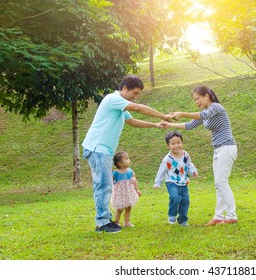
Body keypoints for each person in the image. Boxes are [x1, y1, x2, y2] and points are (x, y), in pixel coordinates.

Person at [82, 75, 172, 233]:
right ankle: (102, 223)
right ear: (124, 88)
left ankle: (104, 220)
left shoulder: (119, 106)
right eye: (135, 93)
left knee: (104, 184)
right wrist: (162, 115)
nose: (135, 97)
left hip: (102, 150)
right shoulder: (113, 99)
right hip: (97, 148)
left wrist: (156, 125)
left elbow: (133, 121)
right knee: (103, 185)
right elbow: (138, 108)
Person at [163, 86, 238, 226]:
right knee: (218, 184)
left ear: (206, 96)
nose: (196, 101)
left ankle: (232, 215)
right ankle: (219, 216)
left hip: (227, 147)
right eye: (195, 100)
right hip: (218, 149)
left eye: (198, 98)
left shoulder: (216, 107)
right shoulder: (205, 112)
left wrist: (183, 113)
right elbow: (189, 125)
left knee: (221, 183)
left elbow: (202, 116)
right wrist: (170, 123)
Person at [153, 131, 198, 227]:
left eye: (178, 143)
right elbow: (161, 171)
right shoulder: (167, 159)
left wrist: (193, 171)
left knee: (185, 200)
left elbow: (189, 164)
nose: (176, 145)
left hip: (183, 181)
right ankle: (172, 214)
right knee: (175, 198)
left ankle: (182, 220)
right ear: (168, 146)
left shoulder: (185, 154)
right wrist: (157, 183)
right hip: (172, 182)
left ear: (182, 142)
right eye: (173, 144)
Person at [111, 151, 141, 227]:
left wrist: (137, 190)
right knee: (120, 209)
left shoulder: (130, 171)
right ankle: (116, 223)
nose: (129, 160)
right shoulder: (115, 173)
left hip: (128, 193)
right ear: (120, 163)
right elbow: (110, 181)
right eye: (127, 159)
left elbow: (134, 181)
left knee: (128, 208)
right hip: (120, 194)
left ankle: (127, 222)